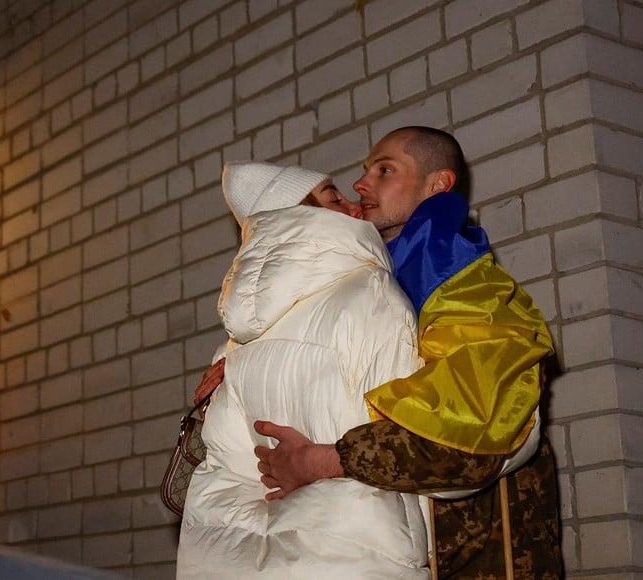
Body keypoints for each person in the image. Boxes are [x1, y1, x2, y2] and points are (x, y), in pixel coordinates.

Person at [231, 127, 561, 578]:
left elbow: (473, 433)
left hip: (476, 560)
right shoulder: (365, 285)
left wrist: (325, 460)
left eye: (384, 170)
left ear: (437, 186)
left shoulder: (469, 291)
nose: (361, 184)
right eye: (365, 171)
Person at [177, 162, 430, 578]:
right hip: (352, 555)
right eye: (335, 199)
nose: (355, 207)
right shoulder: (372, 297)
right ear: (300, 215)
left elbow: (223, 466)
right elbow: (403, 444)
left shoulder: (233, 343)